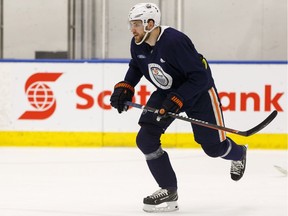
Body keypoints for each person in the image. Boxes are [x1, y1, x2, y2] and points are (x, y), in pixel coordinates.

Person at [110, 2, 247, 213]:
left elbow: (200, 77)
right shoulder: (137, 43)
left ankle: (238, 153)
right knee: (145, 139)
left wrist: (178, 98)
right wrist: (127, 85)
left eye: (136, 24)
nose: (132, 29)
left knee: (213, 148)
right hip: (167, 93)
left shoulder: (174, 41)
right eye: (131, 24)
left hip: (198, 93)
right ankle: (168, 189)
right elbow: (136, 65)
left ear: (150, 23)